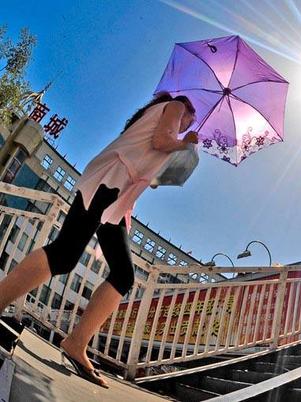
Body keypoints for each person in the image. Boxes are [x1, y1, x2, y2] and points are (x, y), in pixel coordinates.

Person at [0, 93, 198, 388]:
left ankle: (77, 342)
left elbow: (154, 169)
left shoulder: (160, 116)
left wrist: (181, 153)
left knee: (119, 272)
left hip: (118, 195)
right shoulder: (176, 105)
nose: (184, 126)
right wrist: (186, 143)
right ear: (186, 110)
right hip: (111, 180)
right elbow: (160, 141)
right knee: (67, 253)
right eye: (187, 122)